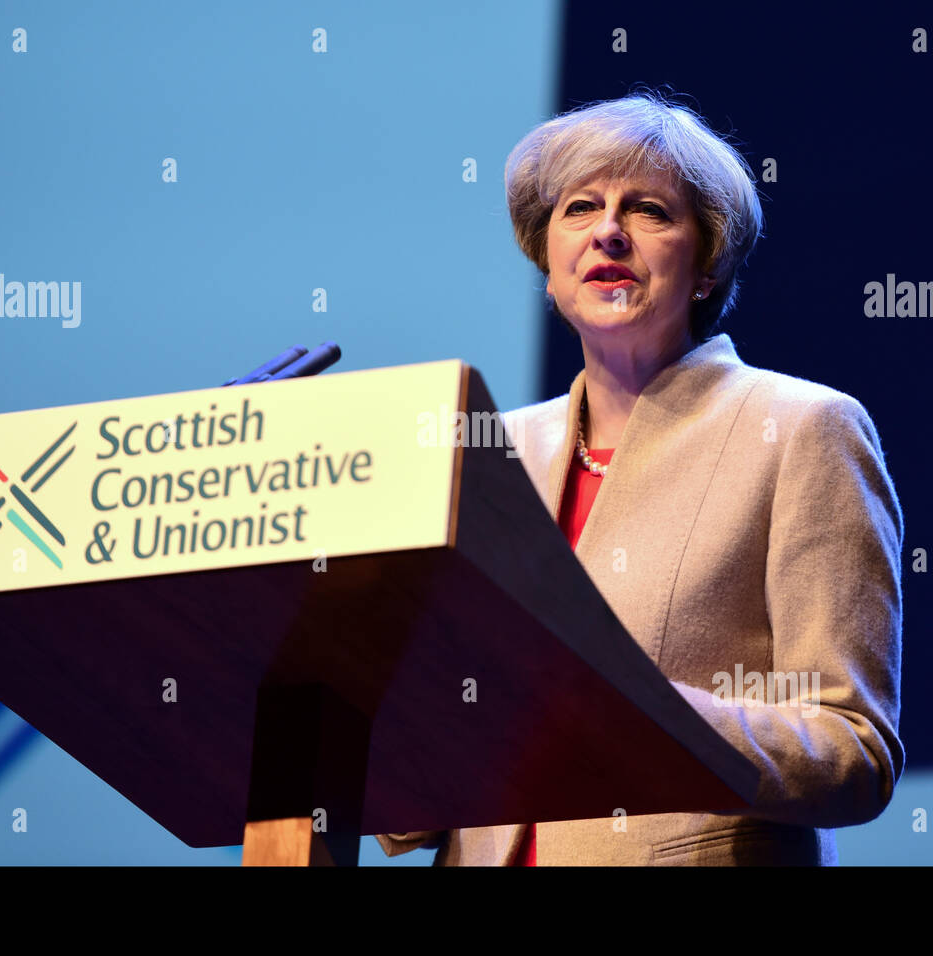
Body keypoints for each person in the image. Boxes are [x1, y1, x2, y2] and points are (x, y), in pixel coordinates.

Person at [376, 91, 904, 865]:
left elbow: (852, 751)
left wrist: (641, 714)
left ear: (705, 266)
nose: (609, 231)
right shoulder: (490, 452)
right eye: (580, 208)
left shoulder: (801, 429)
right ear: (549, 268)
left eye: (650, 211)